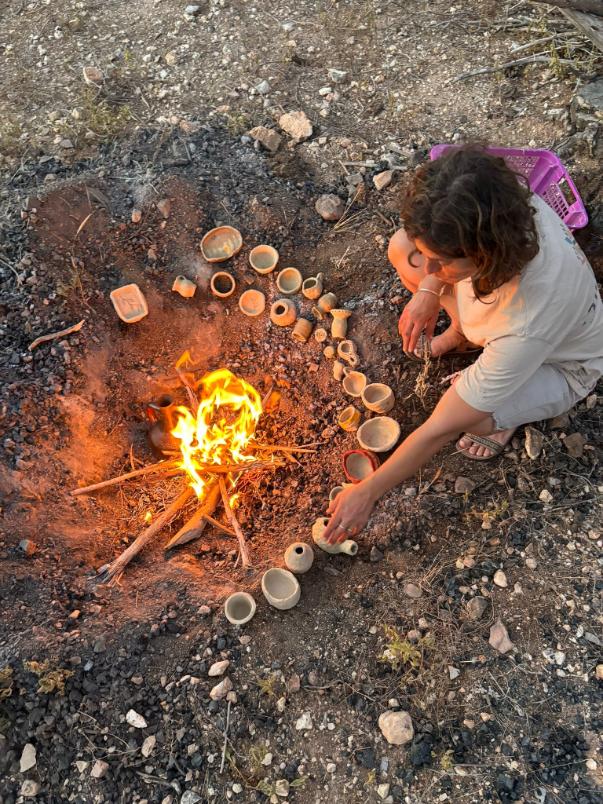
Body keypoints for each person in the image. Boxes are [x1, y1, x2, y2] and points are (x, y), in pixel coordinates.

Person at [324, 145, 603, 545]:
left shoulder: (525, 321)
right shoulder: (506, 206)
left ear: (484, 255)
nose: (431, 267)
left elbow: (438, 429)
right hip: (501, 322)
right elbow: (426, 253)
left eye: (440, 261)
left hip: (561, 365)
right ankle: (462, 335)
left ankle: (506, 417)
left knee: (466, 411)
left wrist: (368, 492)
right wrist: (429, 287)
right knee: (402, 248)